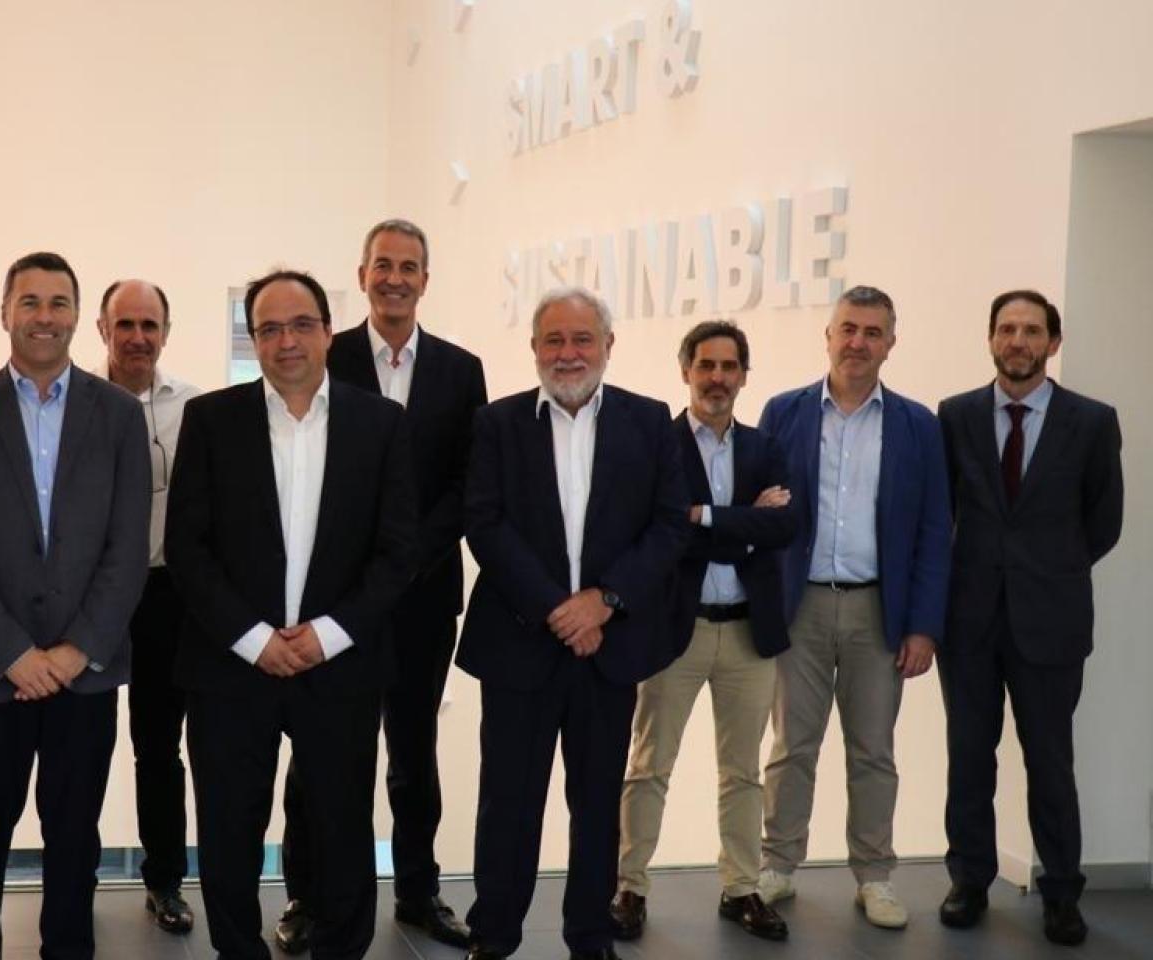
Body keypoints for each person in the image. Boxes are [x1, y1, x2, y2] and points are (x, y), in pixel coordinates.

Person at [166, 268, 416, 960]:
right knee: (228, 831)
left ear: (328, 331)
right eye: (269, 329)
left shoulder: (380, 424)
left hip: (340, 666)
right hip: (231, 667)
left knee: (341, 830)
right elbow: (186, 547)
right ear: (253, 340)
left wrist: (328, 636)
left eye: (301, 325)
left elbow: (398, 551)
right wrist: (254, 640)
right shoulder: (210, 420)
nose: (286, 342)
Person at [0, 251, 150, 960]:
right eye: (30, 302)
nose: (44, 317)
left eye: (58, 303)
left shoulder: (119, 415)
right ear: (4, 313)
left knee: (74, 842)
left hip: (84, 674)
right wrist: (14, 654)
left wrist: (77, 650)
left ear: (79, 317)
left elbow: (128, 547)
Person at [456, 288, 688, 960]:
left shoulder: (649, 422)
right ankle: (494, 934)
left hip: (608, 648)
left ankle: (590, 935)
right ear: (534, 348)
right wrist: (561, 610)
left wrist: (604, 602)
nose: (567, 353)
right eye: (553, 340)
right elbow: (484, 523)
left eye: (582, 339)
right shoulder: (497, 424)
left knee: (596, 803)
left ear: (608, 346)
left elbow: (669, 526)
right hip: (520, 644)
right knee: (508, 803)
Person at [276, 219, 485, 952]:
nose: (396, 278)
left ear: (426, 279)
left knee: (414, 752)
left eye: (409, 267)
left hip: (423, 593)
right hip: (337, 598)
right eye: (384, 265)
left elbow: (468, 482)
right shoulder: (326, 359)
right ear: (362, 275)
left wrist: (406, 556)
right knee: (320, 753)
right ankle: (306, 896)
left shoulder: (461, 370)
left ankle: (418, 891)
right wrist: (371, 567)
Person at [756, 285, 950, 929]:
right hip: (801, 606)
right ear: (828, 335)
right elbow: (760, 511)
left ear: (891, 344)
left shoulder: (918, 426)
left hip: (878, 612)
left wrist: (923, 626)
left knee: (873, 751)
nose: (858, 342)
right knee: (792, 746)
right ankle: (778, 864)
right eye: (848, 328)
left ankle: (875, 876)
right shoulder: (783, 412)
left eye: (872, 332)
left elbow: (934, 531)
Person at [935, 290, 1122, 946]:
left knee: (1050, 761)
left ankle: (1062, 893)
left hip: (1051, 621)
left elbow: (1103, 522)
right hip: (969, 620)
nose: (1018, 341)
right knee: (968, 756)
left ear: (1053, 342)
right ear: (991, 339)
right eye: (1007, 329)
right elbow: (941, 511)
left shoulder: (1092, 422)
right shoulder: (955, 415)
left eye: (1032, 330)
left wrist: (1047, 571)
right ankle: (968, 880)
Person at [610, 321, 797, 943]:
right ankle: (629, 887)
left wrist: (706, 517)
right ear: (685, 370)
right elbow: (662, 533)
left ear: (744, 375)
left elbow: (784, 528)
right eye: (706, 365)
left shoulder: (766, 447)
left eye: (729, 367)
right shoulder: (657, 445)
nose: (717, 378)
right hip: (674, 631)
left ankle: (741, 888)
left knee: (743, 772)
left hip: (749, 633)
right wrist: (742, 523)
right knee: (649, 766)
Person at [94, 278, 203, 934]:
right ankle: (73, 874)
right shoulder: (78, 402)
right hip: (90, 595)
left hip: (166, 595)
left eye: (149, 325)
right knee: (79, 745)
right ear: (103, 331)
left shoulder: (194, 406)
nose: (138, 337)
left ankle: (164, 881)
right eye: (125, 325)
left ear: (165, 332)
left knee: (158, 747)